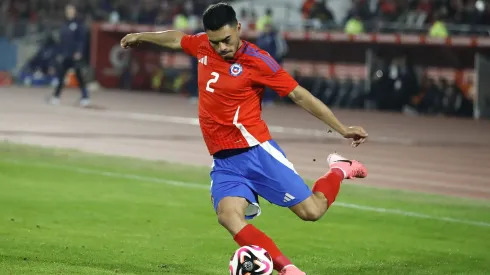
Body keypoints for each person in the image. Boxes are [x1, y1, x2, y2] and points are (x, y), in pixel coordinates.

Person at [120, 3, 368, 274]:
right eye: (215, 42)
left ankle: (339, 169)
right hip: (224, 161)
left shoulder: (258, 60)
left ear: (238, 28)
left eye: (227, 40)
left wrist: (342, 128)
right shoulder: (204, 45)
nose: (222, 48)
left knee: (312, 211)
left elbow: (300, 95)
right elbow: (177, 39)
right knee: (228, 216)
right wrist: (141, 36)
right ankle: (288, 269)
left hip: (256, 152)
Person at [47, 4, 90, 107]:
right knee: (61, 76)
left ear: (75, 12)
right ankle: (56, 97)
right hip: (65, 55)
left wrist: (79, 51)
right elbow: (62, 41)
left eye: (71, 10)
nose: (69, 12)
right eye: (68, 11)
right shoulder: (64, 25)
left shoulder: (79, 24)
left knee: (79, 76)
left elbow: (81, 40)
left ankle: (85, 97)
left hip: (75, 55)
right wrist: (60, 53)